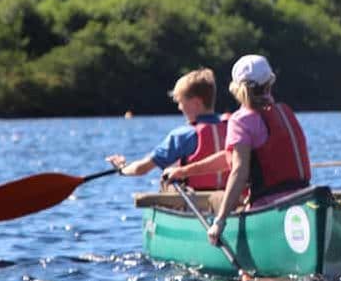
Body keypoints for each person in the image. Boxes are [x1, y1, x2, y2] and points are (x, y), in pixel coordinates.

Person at [162, 54, 311, 246]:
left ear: (236, 88)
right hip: (302, 200)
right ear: (270, 83)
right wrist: (184, 171)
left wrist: (220, 221)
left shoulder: (241, 120)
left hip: (267, 209)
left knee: (218, 201)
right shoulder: (285, 111)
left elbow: (239, 171)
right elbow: (229, 158)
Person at [105, 68, 228, 190]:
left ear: (196, 103)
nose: (180, 108)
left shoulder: (183, 135)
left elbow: (141, 169)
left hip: (193, 201)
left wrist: (122, 168)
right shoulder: (231, 127)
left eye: (181, 102)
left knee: (167, 179)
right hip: (230, 198)